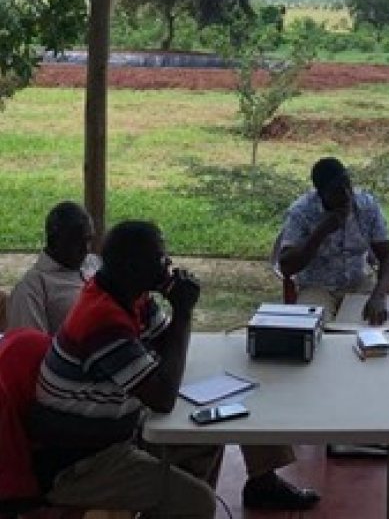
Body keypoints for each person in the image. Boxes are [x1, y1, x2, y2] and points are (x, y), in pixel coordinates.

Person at [29, 220, 320, 517]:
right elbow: (163, 397)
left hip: (115, 436)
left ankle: (175, 502)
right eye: (159, 258)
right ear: (132, 267)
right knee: (199, 503)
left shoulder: (128, 293)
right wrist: (183, 310)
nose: (167, 263)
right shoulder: (102, 320)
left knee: (208, 439)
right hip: (80, 462)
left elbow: (165, 345)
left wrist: (179, 309)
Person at [278, 156, 389, 324]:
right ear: (321, 193)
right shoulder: (302, 212)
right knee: (314, 330)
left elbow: (388, 257)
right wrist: (321, 232)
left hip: (359, 283)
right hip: (317, 287)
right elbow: (287, 267)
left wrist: (378, 295)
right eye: (336, 190)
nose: (346, 194)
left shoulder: (366, 206)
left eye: (347, 184)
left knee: (378, 327)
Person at [7, 201, 96, 334]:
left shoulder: (94, 263)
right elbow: (30, 346)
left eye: (88, 240)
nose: (86, 249)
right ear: (54, 240)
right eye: (76, 242)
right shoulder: (33, 288)